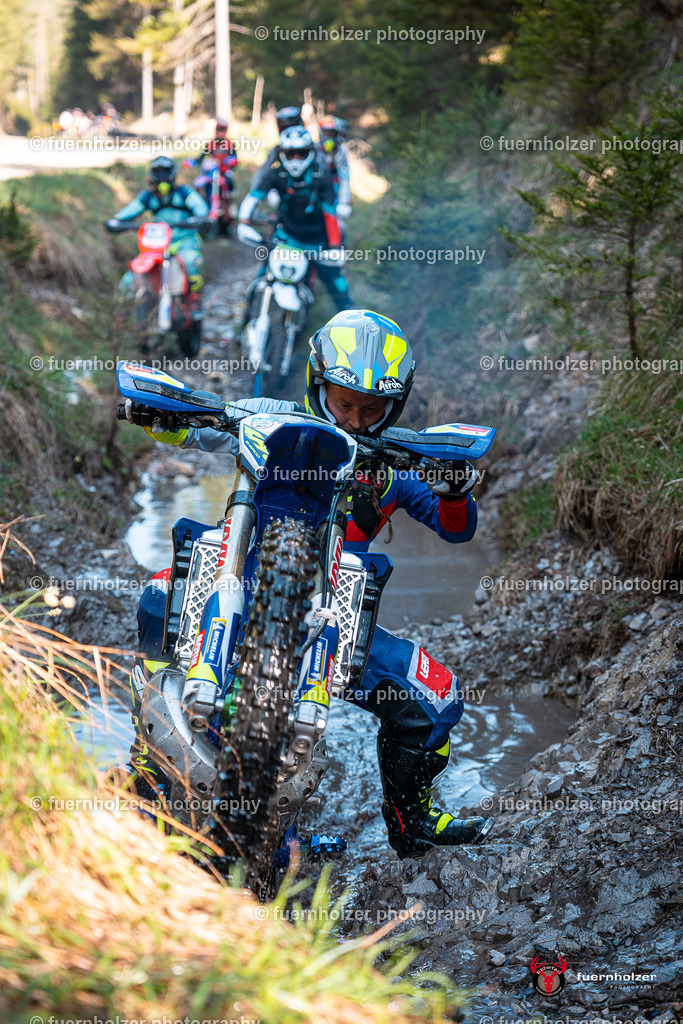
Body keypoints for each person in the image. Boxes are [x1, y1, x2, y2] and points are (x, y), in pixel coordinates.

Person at [126, 309, 494, 858]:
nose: (355, 419)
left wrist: (456, 490)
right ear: (317, 384)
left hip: (338, 619)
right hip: (238, 582)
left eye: (371, 409)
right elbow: (198, 430)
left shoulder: (391, 468)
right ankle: (145, 774)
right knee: (159, 595)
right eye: (344, 403)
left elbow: (455, 529)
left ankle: (412, 822)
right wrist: (160, 415)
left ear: (393, 407)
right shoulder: (271, 420)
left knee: (436, 698)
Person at [237, 125, 352, 312]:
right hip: (286, 239)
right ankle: (248, 320)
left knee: (336, 283)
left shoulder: (321, 176)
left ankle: (351, 318)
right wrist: (243, 222)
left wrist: (334, 246)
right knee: (263, 278)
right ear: (283, 153)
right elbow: (253, 197)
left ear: (310, 152)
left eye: (301, 153)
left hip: (318, 243)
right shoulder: (276, 174)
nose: (296, 158)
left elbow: (330, 214)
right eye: (291, 153)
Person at [105, 155, 209, 321]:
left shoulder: (184, 193)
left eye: (165, 171)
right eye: (157, 171)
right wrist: (116, 222)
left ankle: (194, 300)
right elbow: (127, 212)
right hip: (156, 246)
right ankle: (122, 315)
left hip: (183, 241)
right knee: (130, 278)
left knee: (191, 261)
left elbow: (201, 209)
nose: (162, 176)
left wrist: (198, 219)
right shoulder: (148, 197)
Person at [184, 117, 238, 208]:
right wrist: (191, 162)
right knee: (199, 183)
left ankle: (230, 206)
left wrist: (230, 164)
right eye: (219, 129)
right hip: (212, 172)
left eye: (223, 130)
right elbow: (201, 157)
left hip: (224, 171)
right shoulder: (211, 144)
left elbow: (235, 159)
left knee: (229, 182)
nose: (220, 132)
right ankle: (203, 204)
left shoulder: (230, 144)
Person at [318, 115, 352, 229]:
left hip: (334, 192)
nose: (328, 137)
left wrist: (343, 202)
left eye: (332, 134)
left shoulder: (340, 152)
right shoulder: (314, 149)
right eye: (326, 133)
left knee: (339, 225)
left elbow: (345, 178)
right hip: (316, 191)